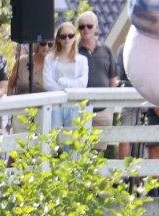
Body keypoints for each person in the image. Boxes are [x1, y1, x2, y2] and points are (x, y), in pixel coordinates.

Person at [76, 11, 118, 148]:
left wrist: (110, 106)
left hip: (102, 109)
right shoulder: (73, 50)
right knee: (78, 150)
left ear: (96, 27)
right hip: (79, 109)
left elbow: (113, 79)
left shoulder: (106, 50)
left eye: (89, 26)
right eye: (81, 27)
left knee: (98, 152)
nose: (85, 29)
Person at [43, 22, 89, 129]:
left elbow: (82, 83)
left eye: (71, 36)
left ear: (75, 38)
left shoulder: (82, 60)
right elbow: (47, 83)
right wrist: (66, 90)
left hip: (74, 105)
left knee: (71, 142)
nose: (67, 39)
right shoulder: (49, 59)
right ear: (58, 39)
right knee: (52, 140)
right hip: (54, 105)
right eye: (63, 36)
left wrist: (63, 81)